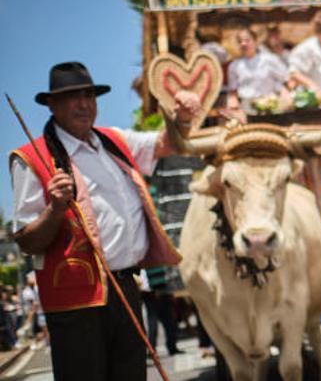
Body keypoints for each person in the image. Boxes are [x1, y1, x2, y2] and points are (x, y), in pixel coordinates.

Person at [10, 62, 199, 381]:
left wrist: (182, 118)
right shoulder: (32, 158)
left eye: (89, 95)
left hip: (126, 285)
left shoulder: (114, 140)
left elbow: (166, 144)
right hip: (76, 299)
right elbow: (28, 240)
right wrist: (55, 209)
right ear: (52, 105)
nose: (84, 103)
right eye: (72, 97)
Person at [226, 28, 290, 115]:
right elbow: (233, 92)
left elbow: (286, 80)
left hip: (271, 106)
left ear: (255, 42)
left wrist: (285, 96)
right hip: (246, 107)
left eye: (247, 40)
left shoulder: (270, 60)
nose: (244, 44)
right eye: (240, 41)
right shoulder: (234, 66)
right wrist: (233, 105)